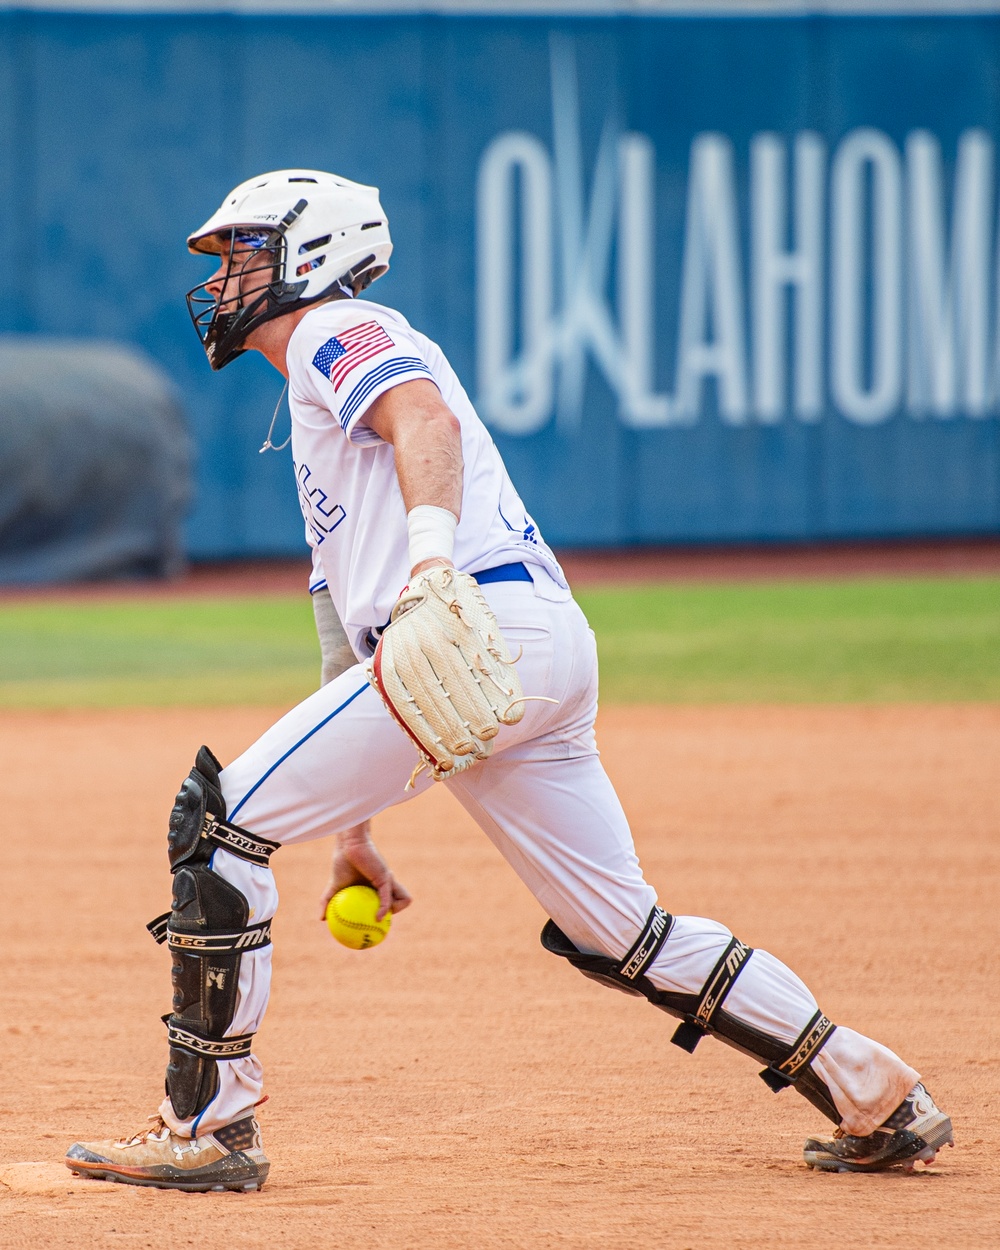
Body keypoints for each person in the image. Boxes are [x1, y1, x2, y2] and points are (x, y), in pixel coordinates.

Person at [66, 170, 952, 1192]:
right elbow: (338, 619)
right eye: (222, 260)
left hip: (474, 620)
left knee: (218, 824)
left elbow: (426, 424)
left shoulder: (332, 328)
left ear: (311, 255)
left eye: (242, 252)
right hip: (529, 645)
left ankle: (206, 1128)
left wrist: (434, 569)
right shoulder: (311, 400)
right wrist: (352, 830)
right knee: (620, 930)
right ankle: (874, 1090)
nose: (222, 277)